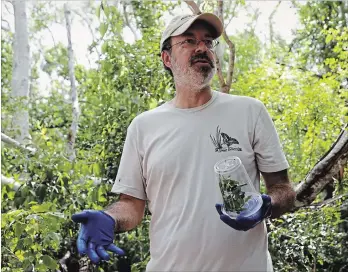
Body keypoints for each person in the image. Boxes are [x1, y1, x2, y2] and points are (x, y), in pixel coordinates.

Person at [72, 12, 296, 271]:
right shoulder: (144, 127)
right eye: (189, 41)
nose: (202, 47)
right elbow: (132, 205)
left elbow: (283, 189)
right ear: (167, 58)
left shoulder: (250, 112)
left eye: (208, 41)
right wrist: (109, 218)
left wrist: (266, 205)